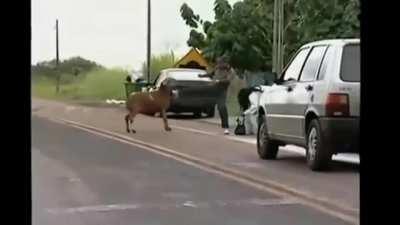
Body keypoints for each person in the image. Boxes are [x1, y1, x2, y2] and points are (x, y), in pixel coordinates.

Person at [199, 56, 235, 135]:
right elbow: (211, 74)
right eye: (218, 63)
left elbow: (228, 80)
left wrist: (218, 81)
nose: (218, 65)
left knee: (221, 107)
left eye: (220, 63)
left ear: (225, 63)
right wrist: (202, 76)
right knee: (202, 93)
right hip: (214, 88)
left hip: (223, 90)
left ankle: (226, 127)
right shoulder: (217, 68)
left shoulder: (230, 71)